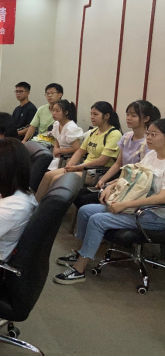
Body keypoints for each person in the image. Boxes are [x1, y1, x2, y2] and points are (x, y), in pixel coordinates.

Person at [54, 118, 165, 285]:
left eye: (154, 134)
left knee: (98, 220)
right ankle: (81, 252)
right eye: (148, 133)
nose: (148, 137)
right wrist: (110, 186)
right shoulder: (151, 155)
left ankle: (79, 269)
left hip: (154, 215)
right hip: (136, 207)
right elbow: (132, 176)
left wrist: (124, 205)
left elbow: (162, 197)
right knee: (85, 211)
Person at [74, 100, 161, 209]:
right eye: (127, 114)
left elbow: (140, 175)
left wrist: (113, 184)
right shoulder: (127, 137)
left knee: (85, 199)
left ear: (146, 118)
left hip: (131, 185)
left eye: (133, 115)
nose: (128, 118)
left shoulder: (148, 143)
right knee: (80, 193)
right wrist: (102, 180)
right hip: (120, 179)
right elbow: (117, 164)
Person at [35, 101, 122, 201]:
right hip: (83, 168)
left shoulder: (114, 134)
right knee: (48, 175)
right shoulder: (94, 131)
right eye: (91, 114)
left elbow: (102, 161)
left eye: (95, 114)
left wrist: (77, 167)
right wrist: (70, 165)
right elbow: (80, 151)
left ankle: (49, 207)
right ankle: (36, 204)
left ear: (106, 116)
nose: (92, 117)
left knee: (57, 179)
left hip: (95, 172)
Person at [48, 99, 83, 170]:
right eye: (53, 110)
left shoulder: (71, 127)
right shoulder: (57, 124)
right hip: (59, 156)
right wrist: (56, 149)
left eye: (57, 111)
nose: (54, 113)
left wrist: (60, 150)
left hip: (69, 159)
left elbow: (76, 148)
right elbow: (57, 139)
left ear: (66, 112)